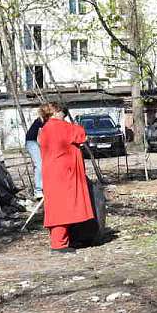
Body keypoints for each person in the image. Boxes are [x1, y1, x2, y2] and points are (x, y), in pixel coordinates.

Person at [38, 102, 93, 254]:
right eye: (62, 111)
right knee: (63, 208)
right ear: (55, 112)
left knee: (56, 206)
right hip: (64, 173)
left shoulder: (46, 128)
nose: (64, 114)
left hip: (52, 173)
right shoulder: (59, 126)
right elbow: (81, 134)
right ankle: (59, 244)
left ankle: (61, 240)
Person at [25, 114, 45, 199]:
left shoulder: (43, 120)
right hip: (32, 142)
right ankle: (38, 190)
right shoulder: (41, 120)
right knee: (39, 165)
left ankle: (43, 187)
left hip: (34, 142)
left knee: (43, 164)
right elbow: (41, 136)